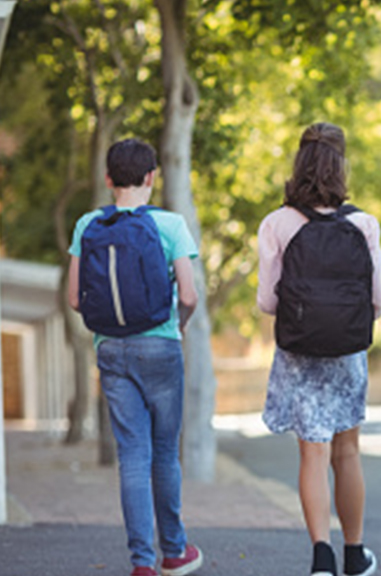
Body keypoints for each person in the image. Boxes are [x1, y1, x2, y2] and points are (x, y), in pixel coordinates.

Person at [67, 138, 203, 576]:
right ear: (151, 178)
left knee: (133, 456)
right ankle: (175, 552)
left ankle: (142, 563)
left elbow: (74, 299)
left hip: (110, 349)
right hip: (161, 345)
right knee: (164, 453)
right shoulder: (171, 224)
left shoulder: (88, 223)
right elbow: (190, 294)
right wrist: (175, 327)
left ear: (108, 180)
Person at [257, 123, 381, 576]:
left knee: (312, 454)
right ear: (340, 164)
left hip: (299, 354)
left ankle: (321, 558)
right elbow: (378, 302)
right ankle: (355, 554)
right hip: (347, 354)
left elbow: (268, 302)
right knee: (346, 452)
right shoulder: (363, 224)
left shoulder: (277, 223)